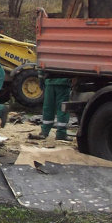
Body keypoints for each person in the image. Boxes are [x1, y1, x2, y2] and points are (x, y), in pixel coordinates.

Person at [31, 8, 71, 141]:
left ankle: (44, 132)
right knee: (61, 109)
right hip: (63, 82)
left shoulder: (47, 43)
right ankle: (61, 134)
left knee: (48, 107)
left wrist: (41, 77)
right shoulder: (67, 45)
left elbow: (41, 61)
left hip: (50, 81)